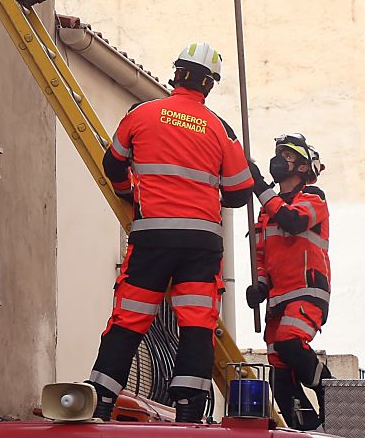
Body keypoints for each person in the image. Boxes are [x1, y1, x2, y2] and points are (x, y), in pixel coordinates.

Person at [87, 42, 254, 423]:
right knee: (196, 323)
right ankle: (189, 409)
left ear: (177, 73)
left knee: (129, 319)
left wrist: (129, 194)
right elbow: (240, 191)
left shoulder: (142, 113)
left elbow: (113, 164)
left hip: (152, 238)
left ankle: (101, 399)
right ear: (209, 85)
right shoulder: (219, 128)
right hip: (201, 245)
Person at [247, 134, 331, 431]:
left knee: (290, 342)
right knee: (280, 374)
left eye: (288, 155)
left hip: (307, 290)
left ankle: (332, 391)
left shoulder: (313, 197)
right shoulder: (266, 211)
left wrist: (259, 186)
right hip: (278, 297)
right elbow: (260, 254)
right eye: (279, 153)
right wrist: (260, 285)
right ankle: (307, 429)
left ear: (304, 167)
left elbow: (294, 221)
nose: (279, 159)